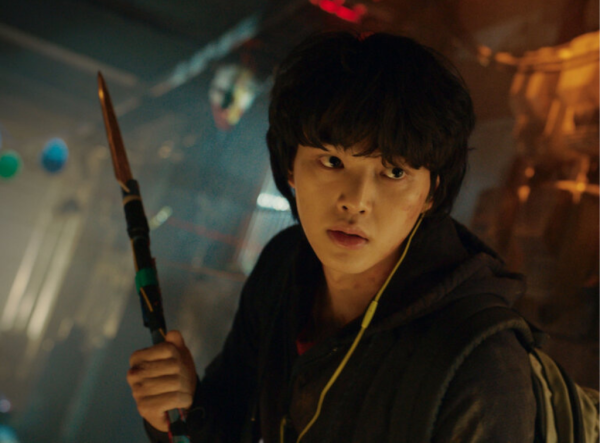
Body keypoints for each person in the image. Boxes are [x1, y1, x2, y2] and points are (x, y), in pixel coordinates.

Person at [127, 31, 536, 443]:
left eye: (394, 172)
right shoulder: (284, 266)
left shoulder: (478, 365)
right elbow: (229, 422)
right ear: (290, 167)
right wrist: (182, 408)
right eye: (331, 161)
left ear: (431, 193)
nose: (355, 201)